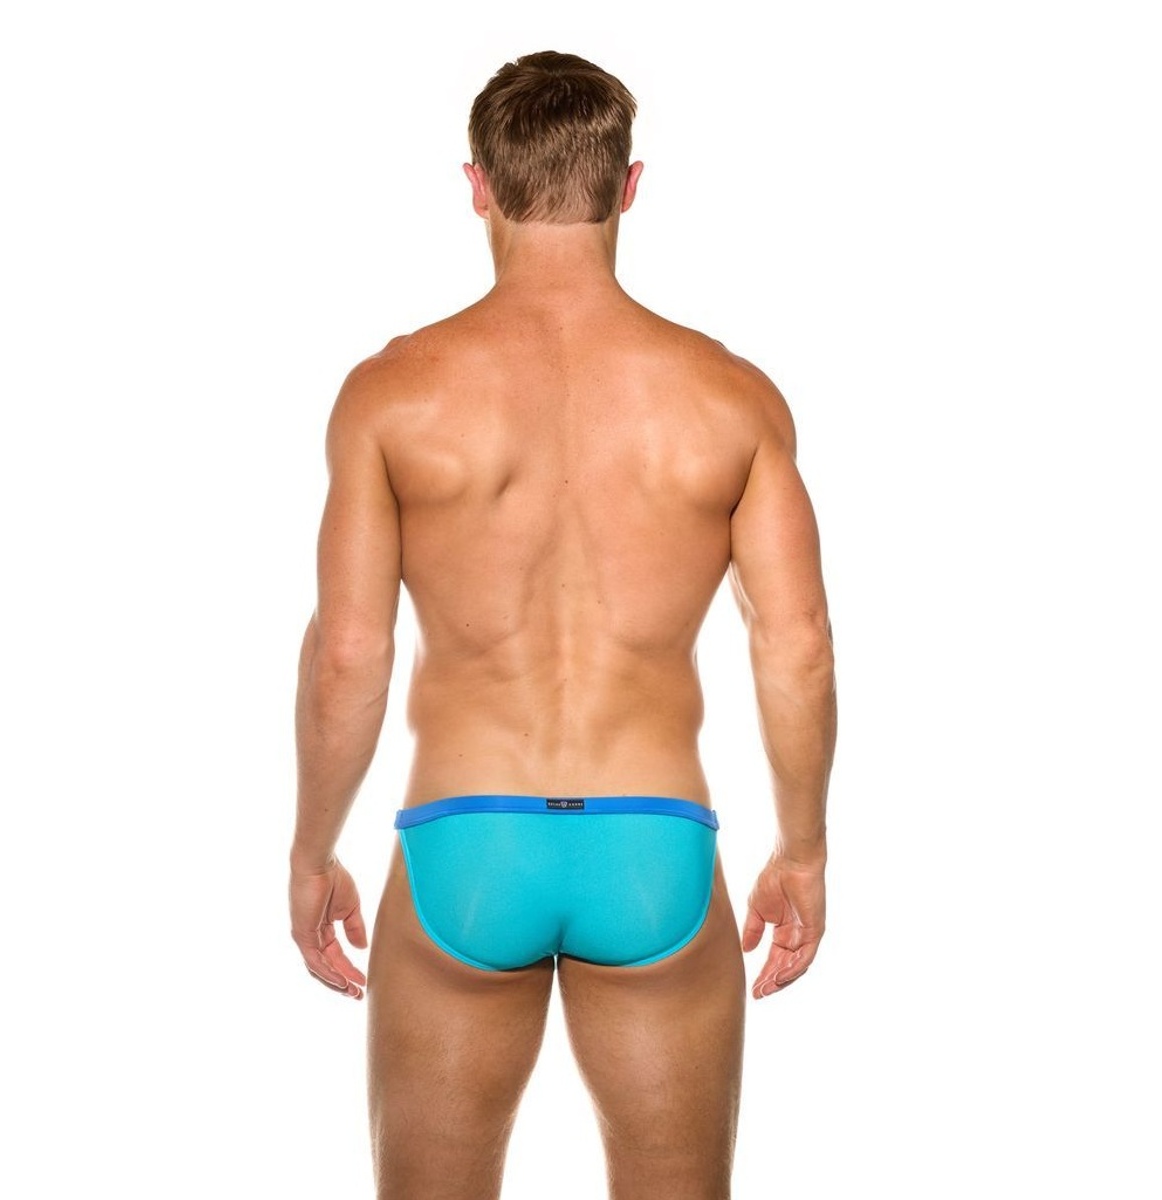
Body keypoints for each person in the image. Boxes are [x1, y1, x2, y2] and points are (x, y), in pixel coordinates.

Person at [289, 50, 836, 1200]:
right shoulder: (731, 397)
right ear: (628, 187)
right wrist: (802, 849)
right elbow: (796, 648)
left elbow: (350, 652)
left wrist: (312, 849)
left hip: (465, 841)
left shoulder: (392, 394)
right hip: (655, 845)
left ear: (478, 186)